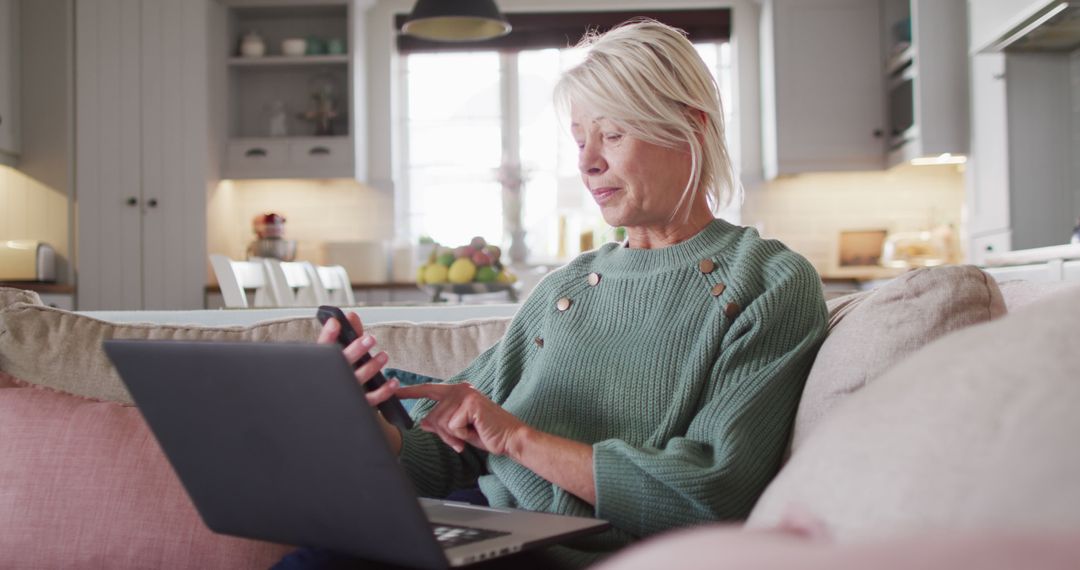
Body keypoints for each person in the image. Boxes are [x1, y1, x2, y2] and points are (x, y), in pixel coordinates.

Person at [284, 18, 828, 569]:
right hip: (481, 525)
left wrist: (516, 439)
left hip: (563, 552)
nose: (587, 162)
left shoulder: (767, 280)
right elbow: (445, 459)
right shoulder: (567, 287)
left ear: (689, 127)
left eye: (612, 135)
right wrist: (365, 418)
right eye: (580, 140)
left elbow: (711, 494)